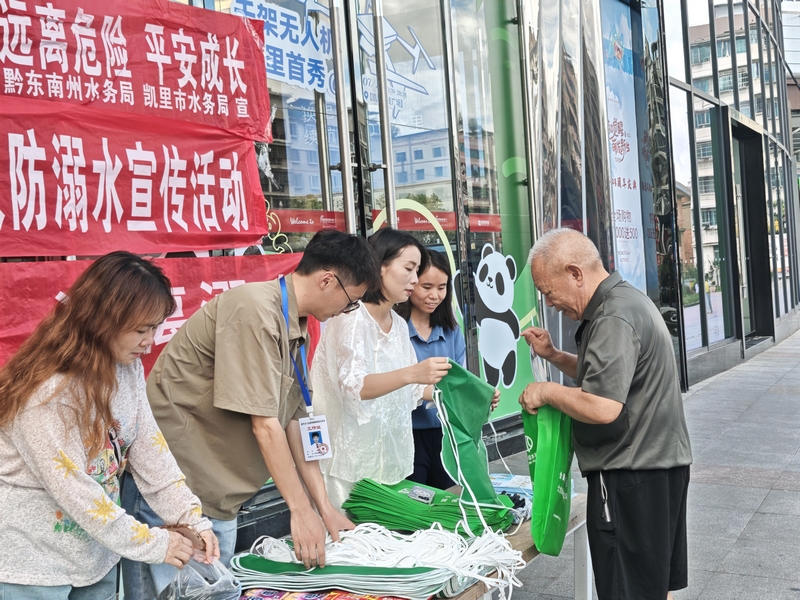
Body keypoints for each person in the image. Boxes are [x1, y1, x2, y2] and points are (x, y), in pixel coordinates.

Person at [120, 229, 380, 596]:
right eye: (351, 301)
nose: (345, 311)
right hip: (177, 491)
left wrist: (323, 506)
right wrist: (300, 511)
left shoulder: (296, 325)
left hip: (220, 495)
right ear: (327, 280)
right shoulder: (254, 309)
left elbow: (292, 419)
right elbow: (265, 426)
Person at [0, 252, 218, 597]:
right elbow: (76, 492)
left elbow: (150, 450)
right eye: (141, 330)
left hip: (96, 554)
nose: (150, 341)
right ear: (101, 320)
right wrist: (154, 542)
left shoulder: (125, 367)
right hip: (33, 568)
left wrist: (192, 518)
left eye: (155, 328)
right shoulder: (49, 392)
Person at [518, 228, 692, 600]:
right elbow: (610, 375)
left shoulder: (612, 316)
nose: (549, 303)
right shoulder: (625, 301)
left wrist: (546, 390)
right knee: (652, 585)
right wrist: (553, 356)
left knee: (627, 588)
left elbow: (602, 405)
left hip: (630, 475)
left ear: (575, 273)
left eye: (548, 291)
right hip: (658, 468)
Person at [311, 228, 452, 509]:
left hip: (390, 462)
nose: (415, 279)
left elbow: (412, 390)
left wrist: (465, 396)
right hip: (347, 468)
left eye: (417, 271)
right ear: (380, 266)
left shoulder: (399, 325)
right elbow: (354, 387)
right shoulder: (351, 318)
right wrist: (412, 374)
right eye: (409, 269)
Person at [394, 250, 465, 490]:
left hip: (446, 436)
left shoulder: (452, 331)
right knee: (411, 514)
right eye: (426, 287)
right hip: (405, 436)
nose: (434, 296)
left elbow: (460, 382)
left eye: (442, 287)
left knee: (449, 506)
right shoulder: (394, 330)